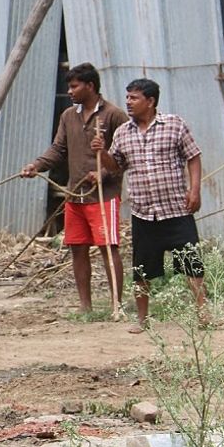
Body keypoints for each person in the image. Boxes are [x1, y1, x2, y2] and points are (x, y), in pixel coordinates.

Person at [91, 78, 207, 334]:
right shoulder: (123, 132)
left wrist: (195, 190)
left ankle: (203, 313)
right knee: (141, 269)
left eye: (134, 98)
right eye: (127, 97)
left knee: (192, 264)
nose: (128, 102)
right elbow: (116, 167)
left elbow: (193, 156)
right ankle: (142, 319)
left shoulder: (174, 125)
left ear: (151, 101)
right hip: (144, 213)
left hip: (176, 209)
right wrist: (103, 153)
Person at [21, 63, 127, 313]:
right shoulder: (68, 116)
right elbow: (58, 149)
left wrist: (103, 173)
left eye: (74, 86)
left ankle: (117, 304)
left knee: (108, 247)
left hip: (104, 196)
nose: (69, 91)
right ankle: (85, 306)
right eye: (69, 87)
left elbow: (125, 157)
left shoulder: (114, 115)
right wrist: (37, 165)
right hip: (75, 195)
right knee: (77, 248)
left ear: (90, 86)